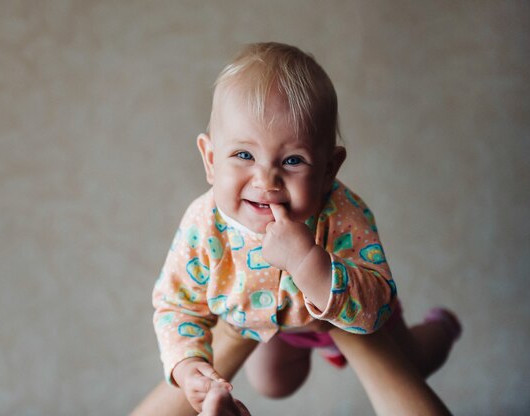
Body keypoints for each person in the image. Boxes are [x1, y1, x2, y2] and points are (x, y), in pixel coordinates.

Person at [145, 42, 460, 414]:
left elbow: (377, 301)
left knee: (416, 361)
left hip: (350, 316)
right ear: (211, 160)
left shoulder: (341, 212)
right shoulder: (204, 224)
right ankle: (295, 355)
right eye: (244, 155)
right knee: (275, 383)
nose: (266, 179)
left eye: (293, 160)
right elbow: (176, 304)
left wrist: (309, 262)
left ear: (329, 170)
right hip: (270, 326)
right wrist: (186, 366)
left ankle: (443, 327)